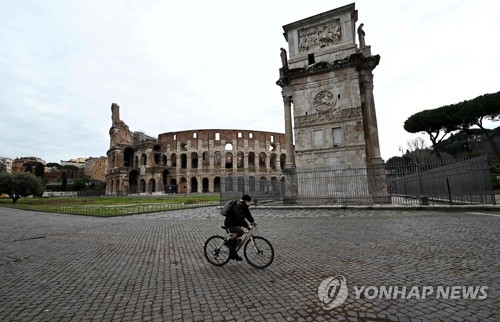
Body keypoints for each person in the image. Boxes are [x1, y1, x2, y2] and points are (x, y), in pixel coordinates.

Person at [224, 194, 256, 261]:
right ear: (245, 201)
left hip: (235, 224)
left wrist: (252, 221)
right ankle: (228, 242)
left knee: (235, 242)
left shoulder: (244, 206)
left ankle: (233, 255)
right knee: (240, 231)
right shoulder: (238, 206)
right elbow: (240, 218)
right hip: (230, 224)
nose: (250, 202)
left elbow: (248, 215)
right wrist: (247, 226)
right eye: (249, 201)